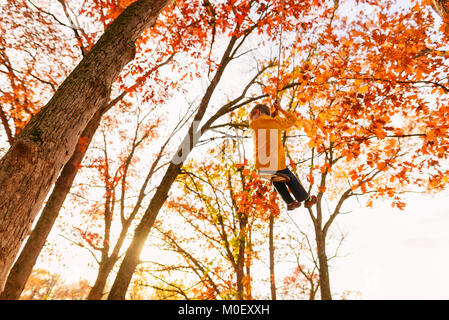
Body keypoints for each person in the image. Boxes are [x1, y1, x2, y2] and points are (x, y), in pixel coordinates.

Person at [249, 100, 317, 210]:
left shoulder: (253, 125)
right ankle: (307, 199)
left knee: (276, 179)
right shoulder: (276, 122)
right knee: (289, 176)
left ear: (257, 112)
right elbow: (292, 120)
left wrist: (273, 116)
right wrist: (280, 109)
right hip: (276, 162)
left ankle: (290, 202)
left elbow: (265, 125)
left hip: (261, 165)